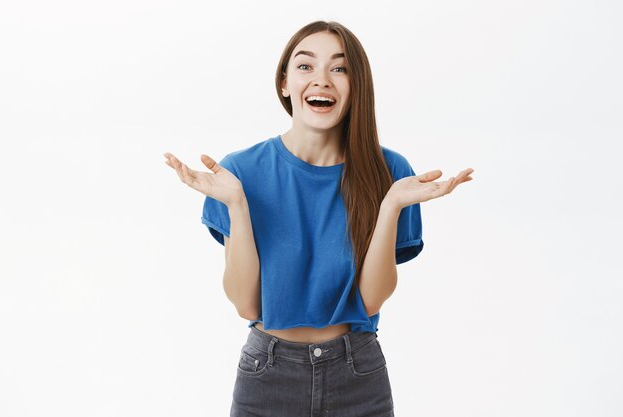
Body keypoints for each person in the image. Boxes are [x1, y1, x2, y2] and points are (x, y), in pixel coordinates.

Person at [164, 20, 474, 417]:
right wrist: (238, 207)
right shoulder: (238, 173)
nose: (322, 80)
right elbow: (246, 305)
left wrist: (391, 206)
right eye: (306, 66)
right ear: (284, 83)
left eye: (340, 68)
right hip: (267, 376)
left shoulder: (391, 172)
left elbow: (370, 300)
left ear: (356, 85)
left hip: (357, 373)